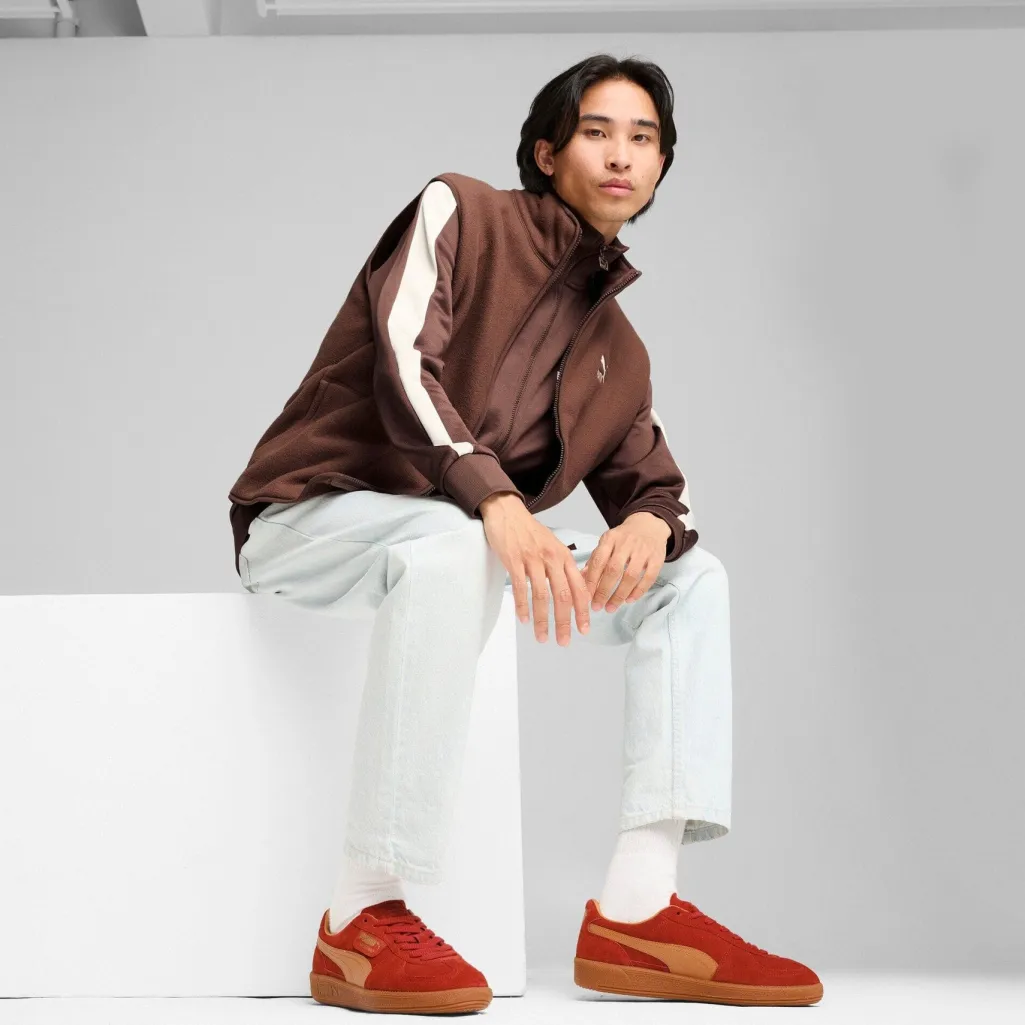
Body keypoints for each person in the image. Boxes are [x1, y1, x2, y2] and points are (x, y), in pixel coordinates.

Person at [227, 53, 822, 1014]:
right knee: (454, 540)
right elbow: (401, 364)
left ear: (660, 168)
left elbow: (661, 488)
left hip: (454, 547)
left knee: (692, 578)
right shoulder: (460, 213)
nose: (621, 155)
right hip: (311, 512)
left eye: (644, 139)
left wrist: (648, 521)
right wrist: (492, 497)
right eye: (597, 131)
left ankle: (639, 906)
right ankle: (361, 912)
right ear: (547, 153)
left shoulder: (617, 351)